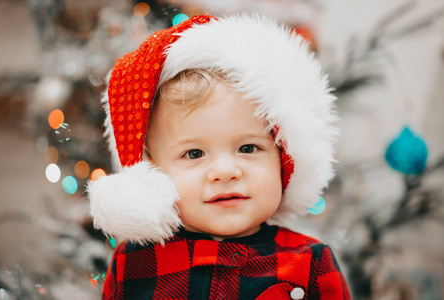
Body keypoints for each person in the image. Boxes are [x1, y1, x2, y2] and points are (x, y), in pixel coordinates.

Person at [88, 14, 351, 300]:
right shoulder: (134, 262)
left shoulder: (309, 263)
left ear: (283, 158)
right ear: (152, 171)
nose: (225, 171)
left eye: (248, 148)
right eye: (194, 153)